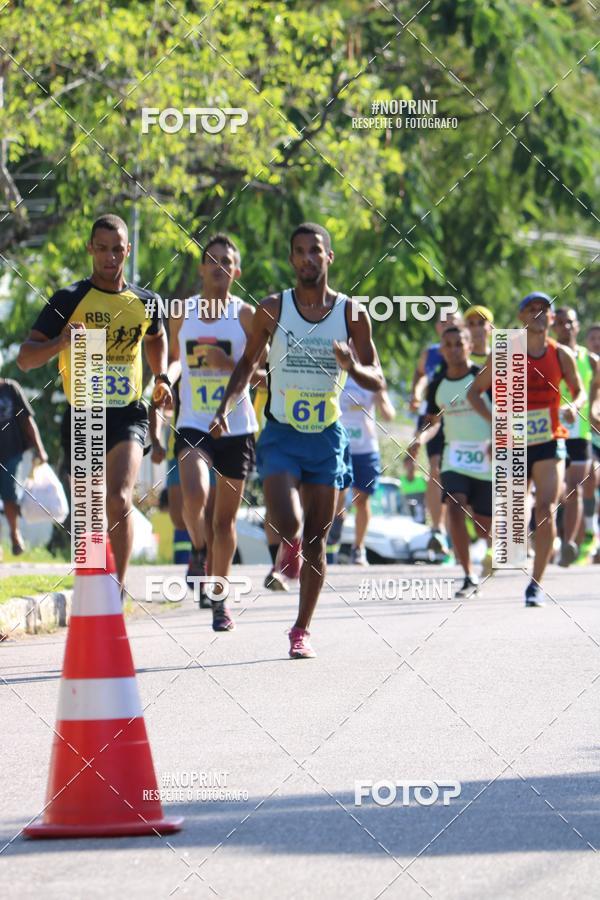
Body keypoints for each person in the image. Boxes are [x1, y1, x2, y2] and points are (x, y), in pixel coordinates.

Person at [210, 222, 385, 658]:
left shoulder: (351, 313)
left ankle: (301, 630)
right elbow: (246, 363)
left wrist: (351, 365)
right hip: (282, 433)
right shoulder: (273, 308)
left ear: (329, 257)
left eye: (315, 250)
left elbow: (377, 378)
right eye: (300, 251)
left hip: (326, 438)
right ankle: (286, 550)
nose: (308, 258)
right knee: (287, 521)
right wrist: (226, 406)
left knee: (316, 541)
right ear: (291, 259)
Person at [17, 213, 172, 586]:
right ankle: (92, 587)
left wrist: (162, 375)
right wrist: (61, 342)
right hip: (84, 414)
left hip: (128, 414)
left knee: (118, 499)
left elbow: (156, 337)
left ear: (128, 250)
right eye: (102, 249)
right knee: (88, 510)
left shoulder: (147, 301)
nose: (110, 257)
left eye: (117, 249)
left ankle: (117, 589)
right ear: (90, 249)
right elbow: (25, 359)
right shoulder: (69, 299)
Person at [163, 233, 258, 631]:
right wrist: (164, 381)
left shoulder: (246, 315)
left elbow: (258, 371)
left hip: (237, 426)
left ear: (237, 271)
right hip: (193, 421)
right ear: (202, 268)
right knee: (194, 493)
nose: (219, 267)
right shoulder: (181, 312)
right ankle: (199, 552)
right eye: (212, 260)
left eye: (227, 261)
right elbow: (174, 360)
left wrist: (228, 363)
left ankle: (220, 602)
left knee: (224, 523)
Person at [468, 292, 584, 607]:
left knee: (545, 508)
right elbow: (475, 392)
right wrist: (495, 422)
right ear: (521, 317)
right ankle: (498, 549)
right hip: (514, 441)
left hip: (549, 440)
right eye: (531, 309)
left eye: (544, 309)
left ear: (551, 318)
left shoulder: (560, 354)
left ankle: (536, 584)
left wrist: (573, 406)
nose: (538, 313)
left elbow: (579, 391)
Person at [409, 326, 492, 597]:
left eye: (459, 343)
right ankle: (468, 575)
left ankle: (489, 549)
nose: (454, 349)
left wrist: (499, 440)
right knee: (455, 507)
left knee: (483, 526)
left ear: (470, 346)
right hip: (455, 458)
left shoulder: (483, 377)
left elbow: (504, 414)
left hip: (488, 459)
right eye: (449, 344)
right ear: (441, 350)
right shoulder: (436, 385)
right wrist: (419, 440)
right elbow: (433, 422)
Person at [408, 309, 463, 553]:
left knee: (460, 473)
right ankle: (437, 529)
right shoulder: (429, 353)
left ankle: (459, 532)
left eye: (453, 319)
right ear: (437, 327)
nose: (447, 323)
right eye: (443, 320)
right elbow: (420, 374)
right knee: (435, 469)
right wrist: (415, 394)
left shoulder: (468, 351)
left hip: (462, 418)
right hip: (433, 416)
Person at [328, 372, 395, 565]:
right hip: (340, 445)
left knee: (362, 499)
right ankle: (336, 523)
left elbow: (389, 415)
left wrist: (381, 394)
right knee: (337, 494)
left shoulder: (371, 378)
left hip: (366, 448)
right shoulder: (337, 374)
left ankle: (358, 548)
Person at [552, 308, 598, 565]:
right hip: (551, 430)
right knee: (553, 491)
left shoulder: (591, 360)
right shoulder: (548, 354)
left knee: (575, 489)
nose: (565, 327)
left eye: (569, 322)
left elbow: (595, 396)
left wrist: (594, 414)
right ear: (553, 327)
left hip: (580, 433)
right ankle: (548, 538)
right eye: (560, 323)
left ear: (577, 326)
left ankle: (569, 544)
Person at [0, 375, 48, 555]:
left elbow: (27, 419)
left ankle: (14, 533)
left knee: (9, 495)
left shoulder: (10, 388)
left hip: (11, 451)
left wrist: (40, 449)